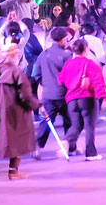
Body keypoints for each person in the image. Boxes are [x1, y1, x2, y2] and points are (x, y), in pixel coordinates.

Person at [0, 44, 41, 179]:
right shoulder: (16, 72)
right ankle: (13, 171)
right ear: (15, 56)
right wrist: (36, 104)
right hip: (14, 111)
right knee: (18, 139)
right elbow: (25, 96)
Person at [57, 39, 106, 160]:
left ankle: (67, 141)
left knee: (76, 125)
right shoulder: (90, 64)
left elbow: (61, 79)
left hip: (71, 99)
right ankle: (91, 153)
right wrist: (103, 95)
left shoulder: (68, 64)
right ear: (86, 49)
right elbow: (98, 81)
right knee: (90, 126)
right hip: (87, 98)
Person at [32, 27, 72, 158]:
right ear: (62, 40)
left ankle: (37, 147)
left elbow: (36, 74)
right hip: (64, 94)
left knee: (47, 122)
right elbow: (70, 75)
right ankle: (70, 147)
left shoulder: (43, 54)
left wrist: (46, 84)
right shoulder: (66, 55)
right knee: (69, 121)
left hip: (48, 94)